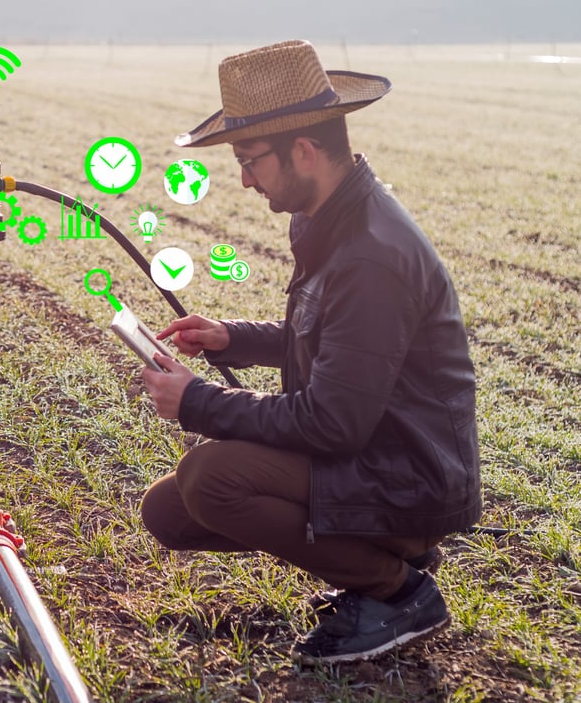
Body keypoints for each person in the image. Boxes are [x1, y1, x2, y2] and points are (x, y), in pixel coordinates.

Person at [139, 39, 481, 664]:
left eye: (250, 159)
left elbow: (332, 420)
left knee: (209, 481)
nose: (243, 178)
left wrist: (198, 401)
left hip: (407, 477)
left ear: (304, 149)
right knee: (170, 511)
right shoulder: (331, 220)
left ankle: (398, 589)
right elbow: (338, 342)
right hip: (376, 456)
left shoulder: (372, 254)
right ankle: (376, 557)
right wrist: (232, 337)